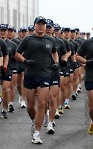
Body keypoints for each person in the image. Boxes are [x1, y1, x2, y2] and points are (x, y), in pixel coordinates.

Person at [15, 16, 58, 144]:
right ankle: (34, 122)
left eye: (43, 24)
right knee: (30, 106)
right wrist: (26, 61)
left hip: (45, 75)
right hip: (30, 75)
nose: (41, 26)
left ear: (45, 27)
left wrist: (55, 63)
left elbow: (55, 52)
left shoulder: (50, 40)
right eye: (38, 24)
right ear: (34, 26)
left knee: (42, 104)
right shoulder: (28, 39)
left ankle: (37, 133)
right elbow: (17, 54)